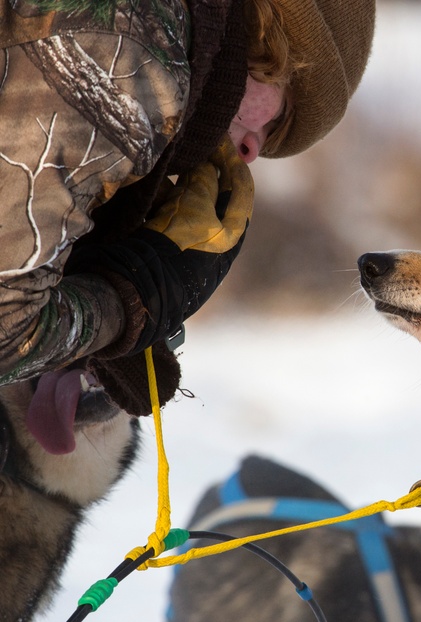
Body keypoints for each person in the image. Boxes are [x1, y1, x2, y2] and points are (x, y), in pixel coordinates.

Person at [0, 0, 376, 437]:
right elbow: (10, 329)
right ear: (272, 45)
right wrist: (131, 298)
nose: (252, 151)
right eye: (279, 118)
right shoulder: (132, 50)